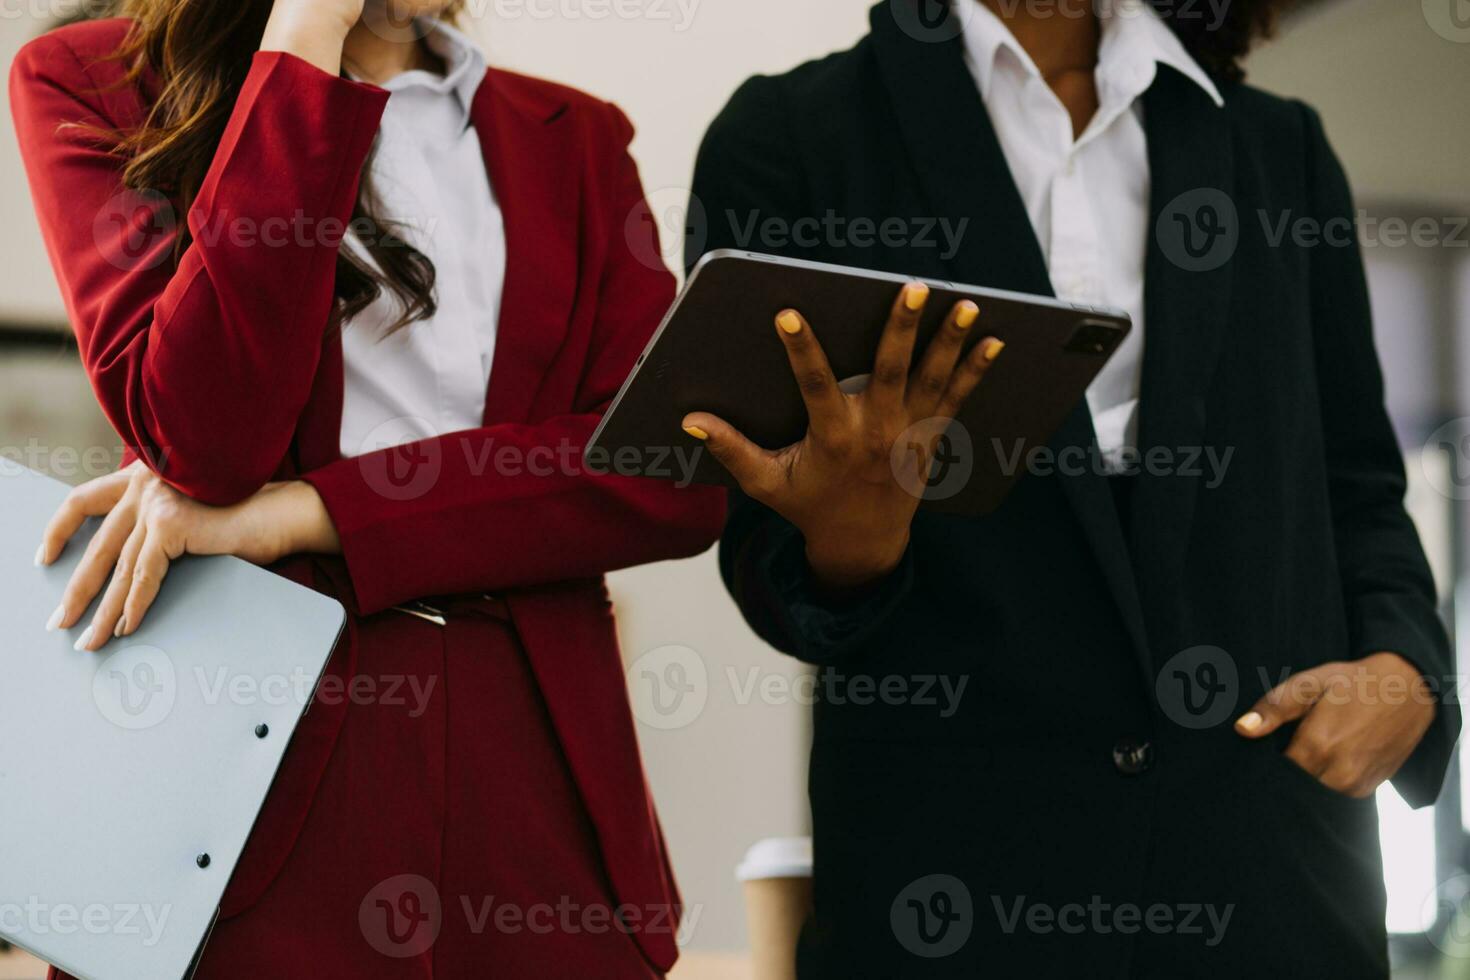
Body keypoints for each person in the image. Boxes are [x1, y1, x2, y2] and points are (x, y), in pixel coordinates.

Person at [685, 0, 1460, 976]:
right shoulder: (789, 136)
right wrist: (854, 543)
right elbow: (767, 549)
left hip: (1270, 869)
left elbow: (1357, 480)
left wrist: (1407, 663)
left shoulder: (1279, 145)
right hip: (957, 886)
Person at [11, 1, 723, 975]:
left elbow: (666, 470)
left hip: (535, 794)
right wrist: (301, 44)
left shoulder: (578, 137)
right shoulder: (91, 81)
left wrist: (312, 511)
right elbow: (205, 440)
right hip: (245, 790)